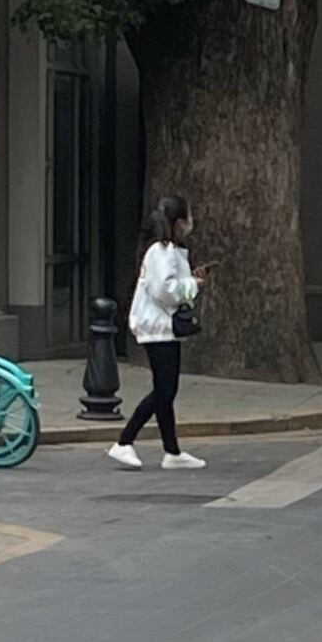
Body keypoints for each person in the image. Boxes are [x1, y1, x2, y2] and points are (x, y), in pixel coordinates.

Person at [108, 196, 207, 472]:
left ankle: (172, 451)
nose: (191, 223)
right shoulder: (162, 251)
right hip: (158, 327)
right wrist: (193, 285)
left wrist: (190, 280)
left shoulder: (167, 250)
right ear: (180, 221)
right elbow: (164, 290)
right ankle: (124, 441)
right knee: (164, 390)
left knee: (166, 390)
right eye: (188, 217)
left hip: (162, 327)